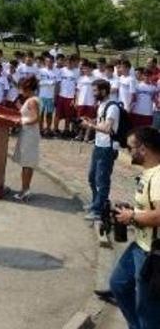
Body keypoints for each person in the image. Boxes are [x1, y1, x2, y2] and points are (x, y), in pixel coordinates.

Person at [108, 126, 160, 328]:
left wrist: (133, 215)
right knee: (118, 284)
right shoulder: (149, 173)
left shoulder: (158, 177)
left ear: (144, 149)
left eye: (131, 148)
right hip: (139, 245)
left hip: (152, 253)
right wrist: (132, 211)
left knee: (148, 309)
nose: (128, 152)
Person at [81, 79, 120, 221]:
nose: (93, 93)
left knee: (101, 180)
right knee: (92, 178)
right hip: (98, 145)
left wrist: (90, 126)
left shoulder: (112, 107)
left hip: (107, 148)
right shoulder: (102, 105)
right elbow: (101, 123)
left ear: (104, 91)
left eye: (95, 91)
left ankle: (98, 210)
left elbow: (107, 128)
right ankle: (95, 203)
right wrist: (91, 122)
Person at [13, 76, 41, 202]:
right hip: (28, 133)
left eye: (22, 88)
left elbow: (35, 118)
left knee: (27, 163)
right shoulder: (30, 100)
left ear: (27, 89)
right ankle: (24, 189)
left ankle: (25, 190)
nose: (20, 91)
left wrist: (22, 121)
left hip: (29, 134)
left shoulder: (32, 101)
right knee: (26, 163)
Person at [38, 55, 59, 137]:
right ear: (45, 62)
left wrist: (55, 96)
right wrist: (49, 82)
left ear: (53, 62)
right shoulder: (41, 71)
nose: (49, 63)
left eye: (51, 61)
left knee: (49, 114)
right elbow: (38, 83)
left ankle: (48, 129)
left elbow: (57, 84)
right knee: (41, 114)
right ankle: (40, 129)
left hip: (51, 96)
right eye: (47, 61)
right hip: (42, 96)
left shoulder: (57, 71)